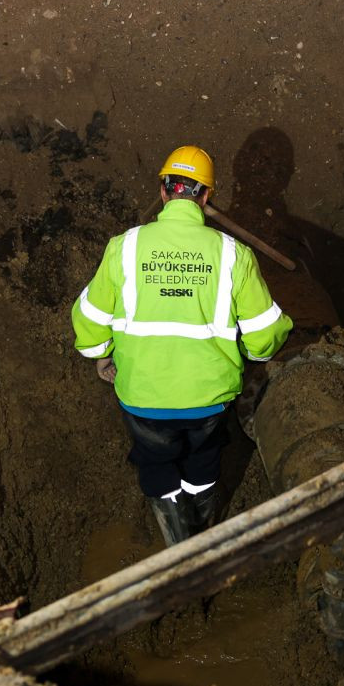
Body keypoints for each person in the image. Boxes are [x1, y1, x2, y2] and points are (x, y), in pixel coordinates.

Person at [71, 145, 293, 546]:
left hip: (143, 397)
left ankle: (177, 545)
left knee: (156, 462)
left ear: (163, 191)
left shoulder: (125, 247)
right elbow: (265, 333)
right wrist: (253, 356)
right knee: (203, 459)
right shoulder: (233, 255)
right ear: (206, 197)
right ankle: (201, 534)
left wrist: (100, 355)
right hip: (209, 399)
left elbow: (89, 317)